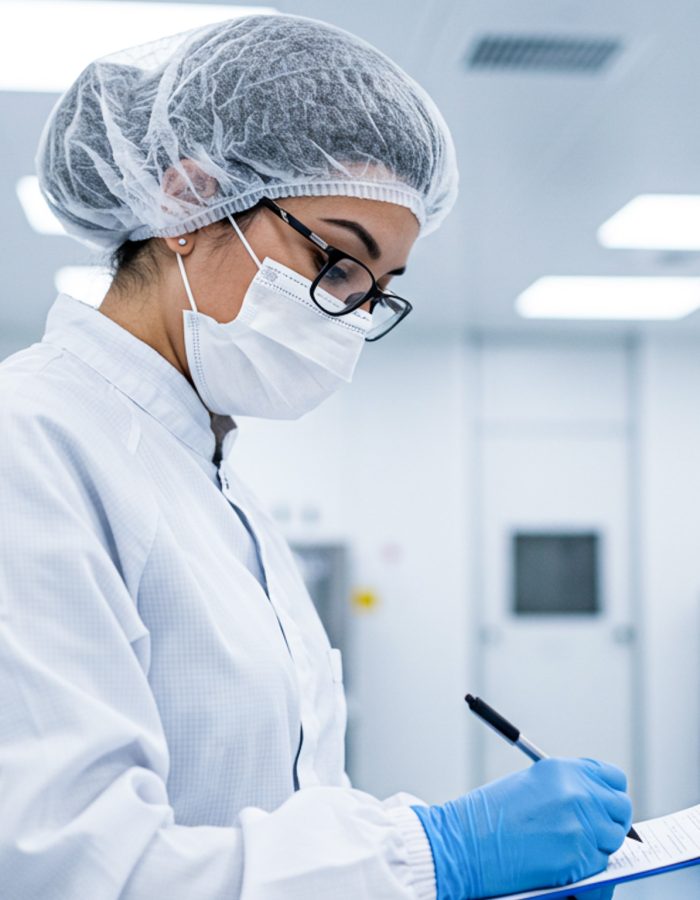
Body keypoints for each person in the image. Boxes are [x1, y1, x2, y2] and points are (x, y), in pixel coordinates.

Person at [0, 12, 631, 900]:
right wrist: (434, 855)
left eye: (376, 295)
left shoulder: (218, 491)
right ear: (186, 202)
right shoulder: (29, 444)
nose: (351, 317)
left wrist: (473, 883)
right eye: (338, 261)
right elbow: (68, 868)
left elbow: (281, 812)